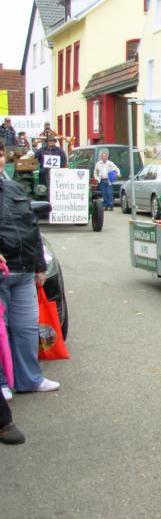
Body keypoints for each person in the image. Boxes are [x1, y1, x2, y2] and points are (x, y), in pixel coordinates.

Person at [0, 144, 60, 396]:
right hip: (2, 273)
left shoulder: (14, 188)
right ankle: (2, 384)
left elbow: (32, 227)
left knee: (26, 329)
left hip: (24, 272)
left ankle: (29, 379)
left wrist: (39, 264)